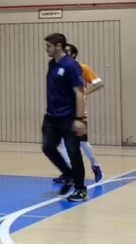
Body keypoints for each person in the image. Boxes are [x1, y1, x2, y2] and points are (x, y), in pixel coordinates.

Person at [41, 33, 88, 202]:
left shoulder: (71, 66)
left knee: (73, 152)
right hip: (51, 116)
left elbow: (79, 93)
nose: (46, 49)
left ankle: (81, 189)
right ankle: (68, 175)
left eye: (48, 46)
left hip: (68, 117)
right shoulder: (52, 64)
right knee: (48, 147)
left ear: (58, 46)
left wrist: (79, 119)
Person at [56, 44, 102, 182]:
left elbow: (99, 83)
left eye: (68, 51)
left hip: (77, 109)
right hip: (63, 110)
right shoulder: (59, 69)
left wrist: (85, 93)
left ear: (74, 54)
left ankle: (95, 166)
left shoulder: (82, 68)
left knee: (81, 142)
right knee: (63, 143)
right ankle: (68, 172)